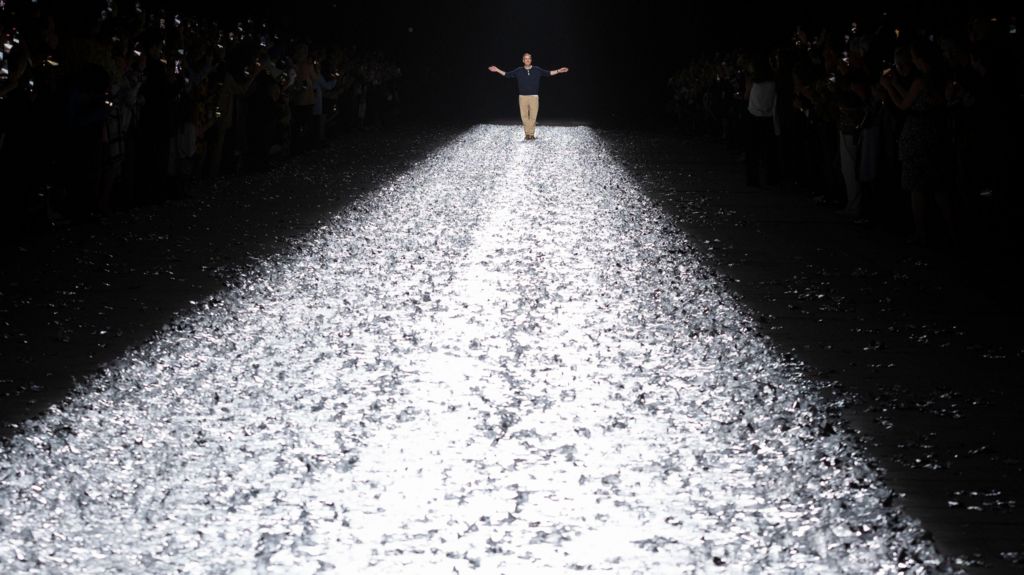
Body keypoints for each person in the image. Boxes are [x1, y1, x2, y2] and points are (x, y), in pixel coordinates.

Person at [488, 53, 569, 140]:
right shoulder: (518, 70)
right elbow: (507, 74)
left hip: (534, 97)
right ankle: (527, 134)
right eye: (525, 59)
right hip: (522, 97)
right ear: (523, 60)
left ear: (531, 60)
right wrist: (497, 70)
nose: (527, 60)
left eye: (529, 58)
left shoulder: (537, 69)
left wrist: (558, 71)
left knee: (533, 116)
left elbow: (548, 73)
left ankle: (531, 134)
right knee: (524, 117)